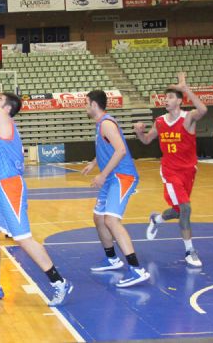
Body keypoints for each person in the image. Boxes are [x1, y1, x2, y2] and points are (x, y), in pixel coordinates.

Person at [0, 42, 72, 305]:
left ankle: (59, 281)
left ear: (7, 108)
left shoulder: (5, 122)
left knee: (23, 238)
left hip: (10, 186)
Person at [134, 72, 208, 267]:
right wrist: (139, 132)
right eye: (165, 97)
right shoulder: (159, 122)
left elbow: (203, 109)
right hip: (170, 171)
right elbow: (147, 140)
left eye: (170, 97)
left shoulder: (188, 118)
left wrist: (186, 89)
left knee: (178, 211)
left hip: (189, 170)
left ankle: (156, 219)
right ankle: (190, 251)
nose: (165, 99)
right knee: (186, 208)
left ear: (179, 101)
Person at [83, 90, 150, 287]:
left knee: (111, 220)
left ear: (94, 104)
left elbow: (120, 150)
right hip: (111, 177)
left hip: (122, 176)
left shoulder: (106, 123)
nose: (84, 106)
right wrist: (94, 163)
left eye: (86, 103)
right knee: (99, 218)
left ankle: (137, 269)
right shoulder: (100, 125)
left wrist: (102, 175)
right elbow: (108, 148)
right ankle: (112, 258)